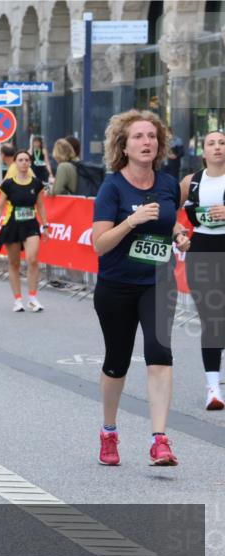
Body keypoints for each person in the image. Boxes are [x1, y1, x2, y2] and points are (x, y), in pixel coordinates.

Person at [91, 109, 189, 467]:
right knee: (117, 362)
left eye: (152, 136)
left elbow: (169, 220)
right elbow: (99, 244)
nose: (147, 142)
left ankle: (159, 440)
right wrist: (131, 220)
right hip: (116, 285)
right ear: (124, 146)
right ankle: (109, 431)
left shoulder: (167, 184)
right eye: (138, 137)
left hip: (158, 282)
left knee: (160, 353)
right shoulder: (112, 187)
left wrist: (178, 234)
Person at [180, 130, 225, 411]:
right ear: (203, 150)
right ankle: (213, 388)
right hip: (202, 252)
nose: (218, 147)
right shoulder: (190, 181)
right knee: (212, 320)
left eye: (222, 143)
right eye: (212, 143)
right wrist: (178, 235)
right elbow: (166, 208)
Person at [0, 150, 50, 313]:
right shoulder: (8, 184)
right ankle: (17, 300)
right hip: (12, 225)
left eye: (26, 160)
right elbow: (0, 206)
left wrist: (45, 226)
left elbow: (41, 205)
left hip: (31, 225)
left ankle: (32, 298)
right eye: (20, 160)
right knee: (14, 263)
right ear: (15, 163)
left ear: (30, 163)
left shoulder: (36, 183)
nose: (24, 162)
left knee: (32, 259)